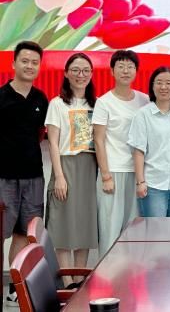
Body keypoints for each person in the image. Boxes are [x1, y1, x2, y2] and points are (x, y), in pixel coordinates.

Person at [0, 41, 48, 305]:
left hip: (33, 177)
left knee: (24, 234)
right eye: (25, 61)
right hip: (3, 178)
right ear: (14, 63)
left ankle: (13, 290)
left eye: (34, 62)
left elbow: (41, 134)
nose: (30, 66)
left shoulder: (41, 99)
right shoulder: (2, 97)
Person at [44, 53, 98, 287]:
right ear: (66, 73)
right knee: (63, 225)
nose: (80, 75)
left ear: (91, 74)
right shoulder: (57, 104)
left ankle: (80, 281)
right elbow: (53, 143)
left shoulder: (97, 104)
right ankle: (67, 283)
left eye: (85, 70)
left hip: (89, 167)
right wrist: (59, 176)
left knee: (85, 224)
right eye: (75, 70)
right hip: (65, 165)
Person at [93, 50, 149, 256]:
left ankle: (131, 273)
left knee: (134, 228)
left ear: (136, 71)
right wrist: (106, 176)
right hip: (113, 172)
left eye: (130, 67)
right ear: (112, 71)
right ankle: (107, 274)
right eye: (121, 66)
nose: (126, 71)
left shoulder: (144, 100)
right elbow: (99, 140)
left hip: (138, 173)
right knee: (110, 228)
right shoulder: (104, 102)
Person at [128, 66, 170, 217]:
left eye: (168, 83)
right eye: (159, 82)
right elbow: (138, 151)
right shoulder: (143, 114)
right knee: (156, 229)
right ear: (152, 86)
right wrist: (140, 182)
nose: (164, 87)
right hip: (153, 185)